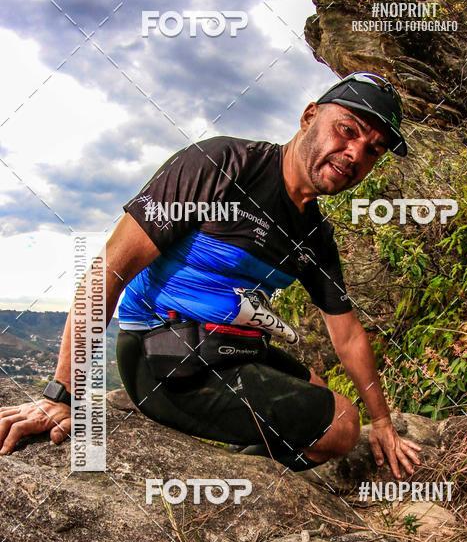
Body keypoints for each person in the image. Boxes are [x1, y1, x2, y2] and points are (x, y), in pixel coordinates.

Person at [0, 72, 421, 477]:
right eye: (347, 129)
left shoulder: (315, 235)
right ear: (309, 115)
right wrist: (60, 395)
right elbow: (110, 271)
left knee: (317, 385)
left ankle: (248, 471)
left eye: (373, 149)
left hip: (230, 345)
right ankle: (249, 478)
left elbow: (345, 333)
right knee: (343, 423)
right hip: (163, 353)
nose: (355, 153)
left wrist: (383, 421)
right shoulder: (222, 165)